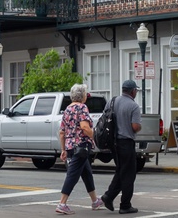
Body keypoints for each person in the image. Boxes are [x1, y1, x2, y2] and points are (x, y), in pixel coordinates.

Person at [55, 84, 104, 215]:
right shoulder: (82, 107)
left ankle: (95, 201)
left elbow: (61, 132)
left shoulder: (67, 109)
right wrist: (96, 137)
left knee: (86, 173)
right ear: (83, 96)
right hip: (81, 146)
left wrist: (63, 149)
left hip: (70, 146)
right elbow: (85, 127)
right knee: (73, 174)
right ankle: (62, 203)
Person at [100, 80, 142, 214]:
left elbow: (105, 118)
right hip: (126, 143)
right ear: (132, 91)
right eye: (136, 90)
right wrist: (139, 127)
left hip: (113, 143)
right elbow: (135, 127)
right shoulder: (133, 106)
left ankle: (108, 196)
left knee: (121, 170)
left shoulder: (112, 101)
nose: (136, 92)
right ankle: (125, 205)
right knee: (129, 174)